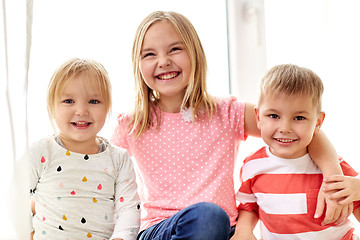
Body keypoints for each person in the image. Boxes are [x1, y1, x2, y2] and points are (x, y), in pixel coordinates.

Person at [111, 11, 348, 240]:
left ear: (195, 54)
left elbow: (297, 127)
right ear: (138, 64)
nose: (164, 61)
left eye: (175, 49)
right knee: (207, 215)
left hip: (222, 230)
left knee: (213, 218)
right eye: (149, 54)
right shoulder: (131, 124)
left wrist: (333, 179)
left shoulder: (226, 113)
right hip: (159, 231)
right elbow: (101, 179)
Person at [234, 64, 360, 239]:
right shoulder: (252, 166)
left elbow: (354, 197)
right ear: (258, 117)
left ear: (318, 122)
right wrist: (243, 231)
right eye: (274, 116)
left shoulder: (333, 168)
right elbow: (249, 206)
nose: (285, 128)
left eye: (299, 118)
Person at [29, 58, 140, 240]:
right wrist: (28, 233)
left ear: (108, 107)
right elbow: (13, 197)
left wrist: (121, 238)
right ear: (52, 107)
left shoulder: (119, 158)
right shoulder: (41, 152)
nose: (81, 110)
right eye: (68, 101)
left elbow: (128, 207)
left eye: (94, 101)